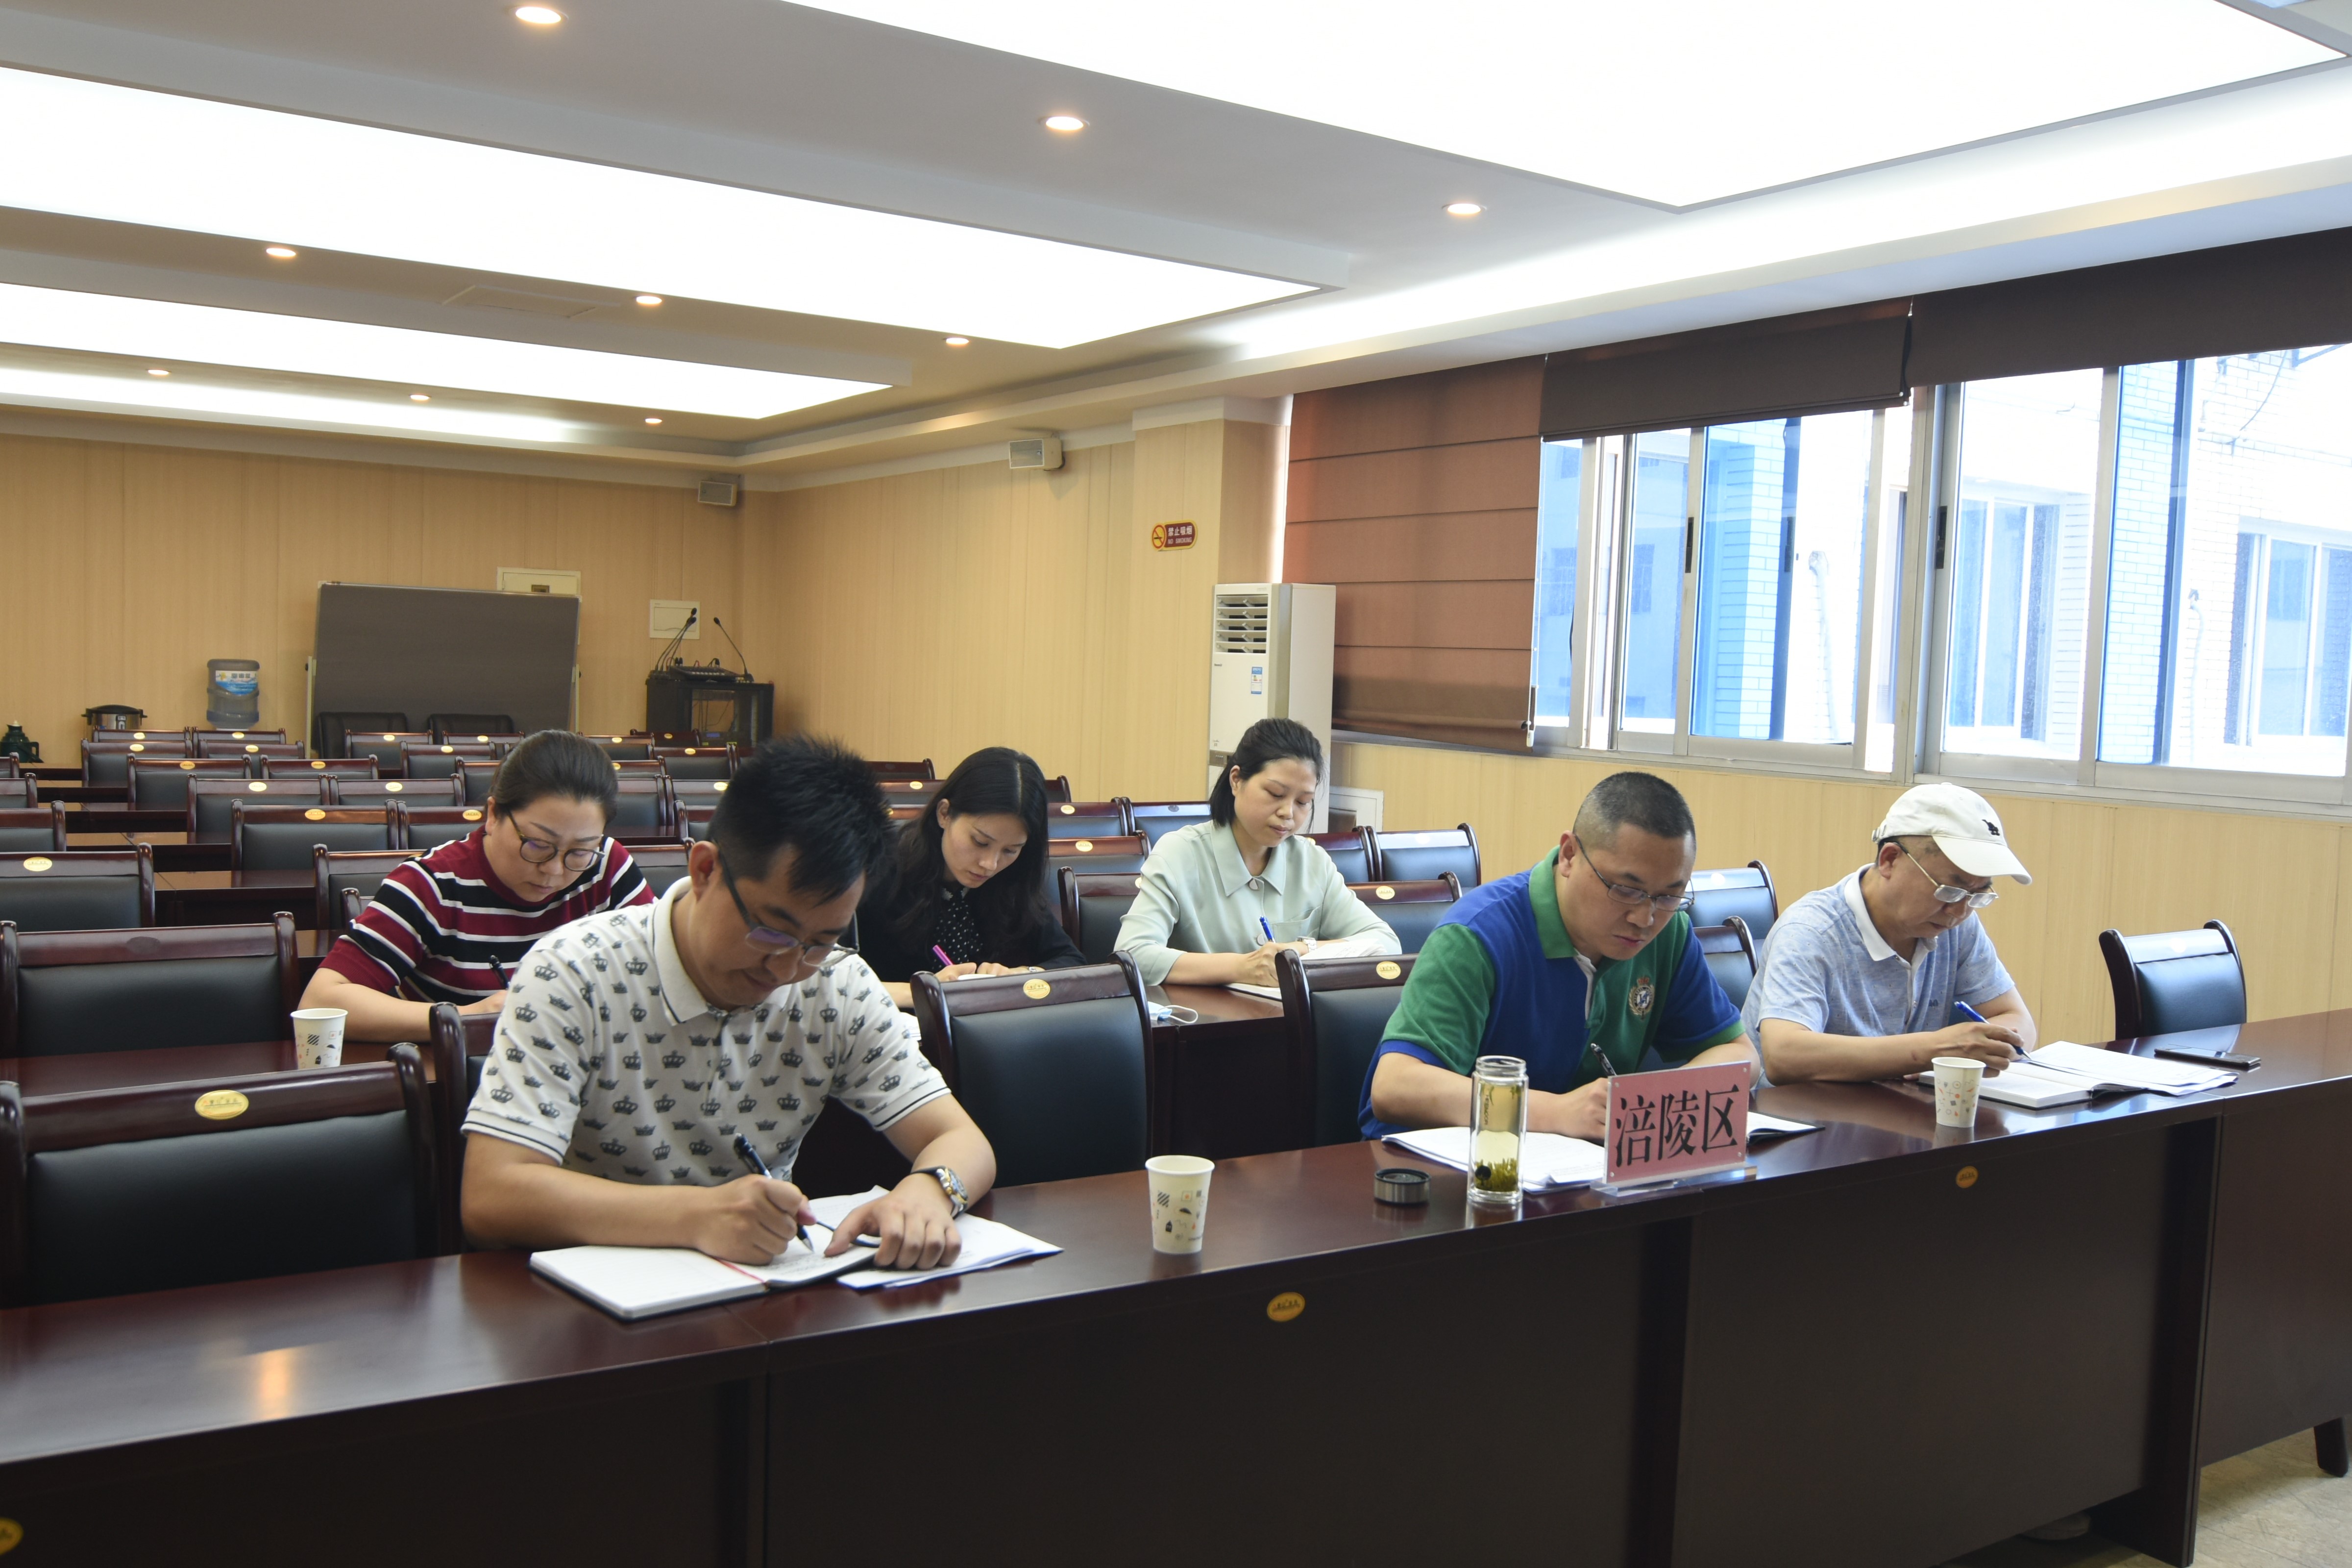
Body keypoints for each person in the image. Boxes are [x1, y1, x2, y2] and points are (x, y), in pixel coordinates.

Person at [460, 733, 997, 1270]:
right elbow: (492, 1195)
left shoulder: (838, 985)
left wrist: (929, 1192)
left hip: (761, 1286)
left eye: (818, 943)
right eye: (771, 932)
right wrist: (695, 1217)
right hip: (589, 1289)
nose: (786, 970)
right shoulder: (574, 971)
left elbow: (962, 1139)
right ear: (705, 871)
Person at [1362, 771, 1754, 1139]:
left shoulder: (1668, 934)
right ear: (1569, 855)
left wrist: (1647, 1104)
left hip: (1577, 1168)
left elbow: (1741, 1056)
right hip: (1439, 1168)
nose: (1645, 918)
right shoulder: (1478, 934)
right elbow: (1396, 1085)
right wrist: (1556, 1113)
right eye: (1626, 890)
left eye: (1669, 896)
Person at [302, 729, 653, 1043]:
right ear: (494, 815)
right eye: (537, 845)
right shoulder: (432, 884)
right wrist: (467, 1017)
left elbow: (659, 968)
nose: (554, 870)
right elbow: (321, 1000)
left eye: (579, 852)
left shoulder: (606, 867)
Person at [1742, 782, 2036, 1084]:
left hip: (1897, 1105)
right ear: (1890, 860)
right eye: (1949, 890)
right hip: (1800, 1111)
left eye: (1978, 894)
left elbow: (2018, 1019)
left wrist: (1994, 1045)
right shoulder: (1810, 932)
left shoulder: (1956, 924)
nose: (1960, 911)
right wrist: (1933, 1050)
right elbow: (1784, 1055)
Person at [1114, 717, 1398, 989]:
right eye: (1275, 794)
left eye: (1303, 802)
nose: (1288, 813)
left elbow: (1384, 942)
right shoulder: (1179, 854)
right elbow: (1134, 954)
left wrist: (1302, 950)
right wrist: (1243, 968)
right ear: (1236, 780)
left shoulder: (1312, 862)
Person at [856, 746, 1084, 1008]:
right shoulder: (876, 871)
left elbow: (1072, 962)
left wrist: (1022, 975)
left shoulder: (1013, 879)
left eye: (1010, 850)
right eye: (980, 842)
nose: (990, 864)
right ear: (944, 814)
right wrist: (924, 991)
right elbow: (829, 981)